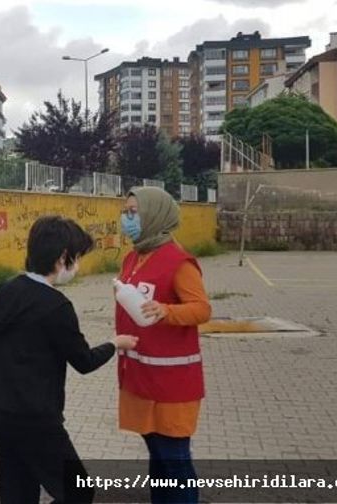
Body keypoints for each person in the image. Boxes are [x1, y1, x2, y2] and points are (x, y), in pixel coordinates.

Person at [0, 215, 139, 504]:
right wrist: (115, 343)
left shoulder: (5, 289)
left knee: (18, 488)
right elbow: (84, 361)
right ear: (63, 257)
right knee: (78, 491)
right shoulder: (56, 305)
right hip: (34, 417)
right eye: (76, 257)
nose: (77, 265)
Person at [116, 187, 212, 504]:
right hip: (140, 376)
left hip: (172, 383)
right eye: (125, 211)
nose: (126, 218)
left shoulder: (179, 261)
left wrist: (166, 310)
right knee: (157, 456)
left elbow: (201, 309)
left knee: (174, 460)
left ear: (155, 215)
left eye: (133, 212)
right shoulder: (133, 257)